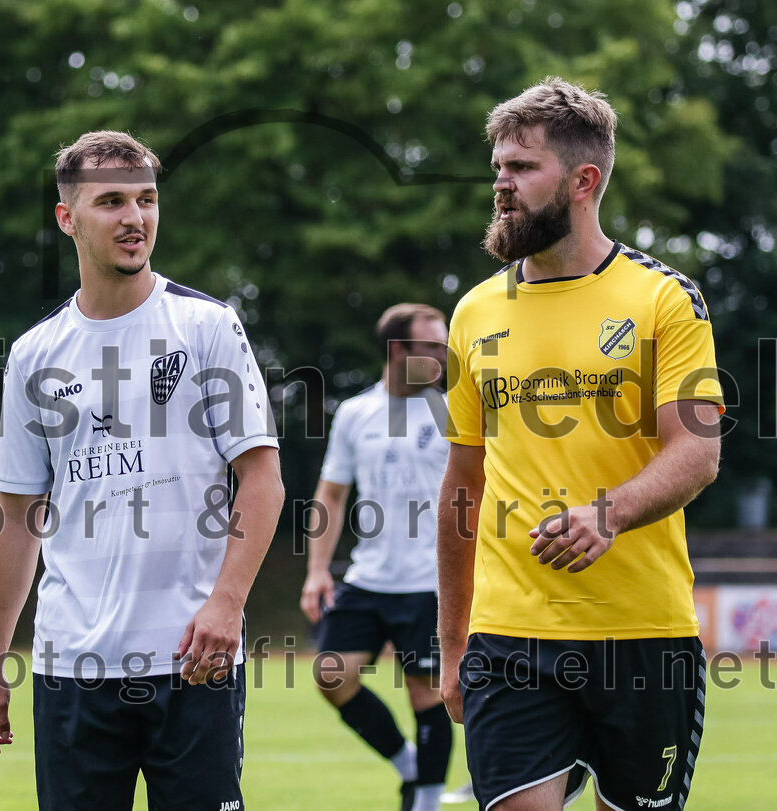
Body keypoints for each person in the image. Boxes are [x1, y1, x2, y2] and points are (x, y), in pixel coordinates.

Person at [0, 130, 284, 810]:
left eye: (146, 199)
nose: (135, 217)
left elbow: (262, 477)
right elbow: (16, 515)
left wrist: (227, 602)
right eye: (111, 201)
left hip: (192, 659)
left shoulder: (207, 326)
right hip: (70, 666)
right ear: (67, 218)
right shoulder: (34, 354)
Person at [437, 77, 724, 811]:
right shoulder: (474, 312)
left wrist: (609, 513)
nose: (501, 184)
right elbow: (463, 485)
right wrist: (452, 642)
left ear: (583, 181)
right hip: (509, 635)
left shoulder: (663, 298)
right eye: (498, 166)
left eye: (522, 167)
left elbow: (698, 452)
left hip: (643, 632)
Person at [301, 303, 455, 811]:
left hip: (431, 582)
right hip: (368, 578)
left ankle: (426, 801)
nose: (444, 355)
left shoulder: (453, 410)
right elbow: (331, 495)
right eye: (432, 346)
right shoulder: (355, 413)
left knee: (426, 693)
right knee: (331, 675)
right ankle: (408, 766)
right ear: (398, 350)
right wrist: (317, 570)